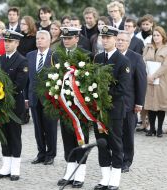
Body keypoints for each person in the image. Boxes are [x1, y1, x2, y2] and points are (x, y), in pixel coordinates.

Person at [94, 25, 130, 190]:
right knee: (102, 143)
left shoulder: (123, 61)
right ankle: (104, 178)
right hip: (98, 110)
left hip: (114, 109)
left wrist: (103, 95)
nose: (105, 40)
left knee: (115, 143)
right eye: (103, 37)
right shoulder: (98, 58)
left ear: (115, 39)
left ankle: (114, 178)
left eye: (108, 37)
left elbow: (122, 88)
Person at [57, 27, 91, 188]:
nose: (66, 40)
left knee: (81, 140)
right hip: (64, 106)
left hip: (80, 107)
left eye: (69, 38)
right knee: (67, 140)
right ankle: (69, 173)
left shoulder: (86, 55)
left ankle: (80, 174)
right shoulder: (58, 55)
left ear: (77, 38)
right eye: (64, 38)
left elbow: (89, 81)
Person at [0, 29, 28, 181]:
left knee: (14, 136)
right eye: (5, 41)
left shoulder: (22, 61)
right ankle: (5, 167)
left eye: (10, 41)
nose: (6, 44)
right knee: (4, 136)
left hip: (14, 105)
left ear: (17, 43)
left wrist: (1, 92)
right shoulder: (0, 59)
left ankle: (15, 168)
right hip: (0, 105)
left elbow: (19, 85)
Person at [116, 31, 147, 173]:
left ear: (128, 43)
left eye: (123, 40)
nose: (120, 42)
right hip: (113, 103)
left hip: (129, 104)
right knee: (116, 133)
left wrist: (139, 103)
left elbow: (141, 82)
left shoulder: (136, 58)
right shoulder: (112, 56)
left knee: (128, 134)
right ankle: (117, 157)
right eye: (118, 40)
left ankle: (127, 160)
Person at [26, 30, 58, 166]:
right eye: (37, 38)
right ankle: (41, 153)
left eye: (42, 38)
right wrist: (26, 97)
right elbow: (27, 79)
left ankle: (50, 154)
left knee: (50, 127)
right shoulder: (30, 55)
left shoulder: (55, 56)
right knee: (38, 127)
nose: (39, 40)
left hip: (49, 98)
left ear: (49, 41)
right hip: (34, 97)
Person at [143, 26, 167, 138]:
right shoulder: (148, 47)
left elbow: (165, 66)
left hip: (162, 80)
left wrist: (155, 75)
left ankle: (159, 129)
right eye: (154, 35)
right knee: (150, 104)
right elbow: (143, 61)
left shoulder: (166, 48)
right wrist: (148, 75)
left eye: (158, 35)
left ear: (162, 36)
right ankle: (151, 128)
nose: (156, 37)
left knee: (161, 104)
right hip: (148, 79)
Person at [17, 15, 37, 124]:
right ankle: (24, 114)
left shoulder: (34, 38)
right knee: (22, 91)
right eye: (21, 24)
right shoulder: (19, 37)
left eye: (24, 24)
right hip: (21, 66)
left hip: (30, 66)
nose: (21, 25)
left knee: (29, 91)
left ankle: (32, 112)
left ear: (29, 25)